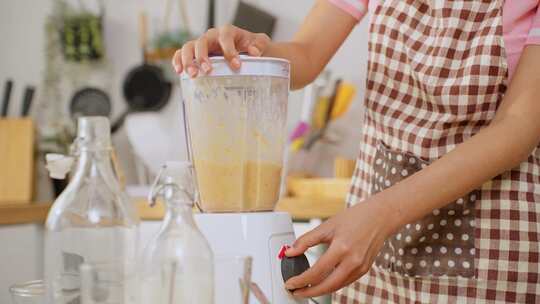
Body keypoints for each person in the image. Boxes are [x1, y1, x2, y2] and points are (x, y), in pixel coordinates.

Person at [172, 0, 540, 302]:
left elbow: (519, 126)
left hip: (492, 245)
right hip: (375, 255)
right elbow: (305, 54)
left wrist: (381, 215)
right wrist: (248, 52)